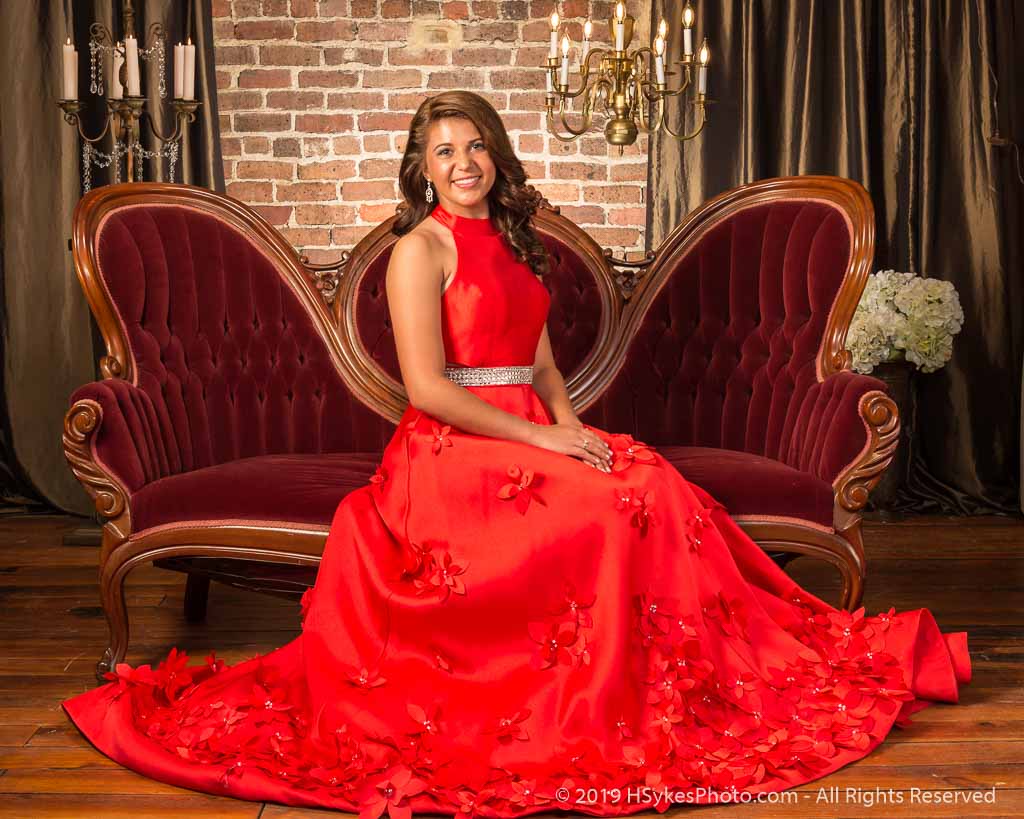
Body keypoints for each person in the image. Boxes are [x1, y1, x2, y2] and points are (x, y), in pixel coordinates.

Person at [63, 90, 971, 818]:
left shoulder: (513, 240)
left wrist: (578, 428)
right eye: (443, 152)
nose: (463, 164)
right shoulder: (415, 252)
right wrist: (547, 438)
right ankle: (601, 691)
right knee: (614, 506)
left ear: (496, 154)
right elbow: (425, 388)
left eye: (475, 147)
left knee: (646, 475)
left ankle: (687, 675)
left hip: (531, 428)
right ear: (421, 172)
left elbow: (536, 355)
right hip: (451, 452)